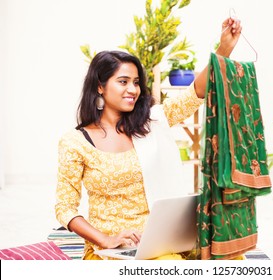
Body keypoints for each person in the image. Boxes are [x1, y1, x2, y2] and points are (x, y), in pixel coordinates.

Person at [55, 17, 242, 260]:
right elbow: (65, 208)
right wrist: (106, 239)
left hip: (163, 238)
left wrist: (223, 49)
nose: (133, 90)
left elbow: (194, 93)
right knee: (170, 266)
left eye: (136, 83)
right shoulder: (75, 142)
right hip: (114, 250)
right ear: (100, 87)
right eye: (123, 82)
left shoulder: (150, 122)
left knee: (230, 252)